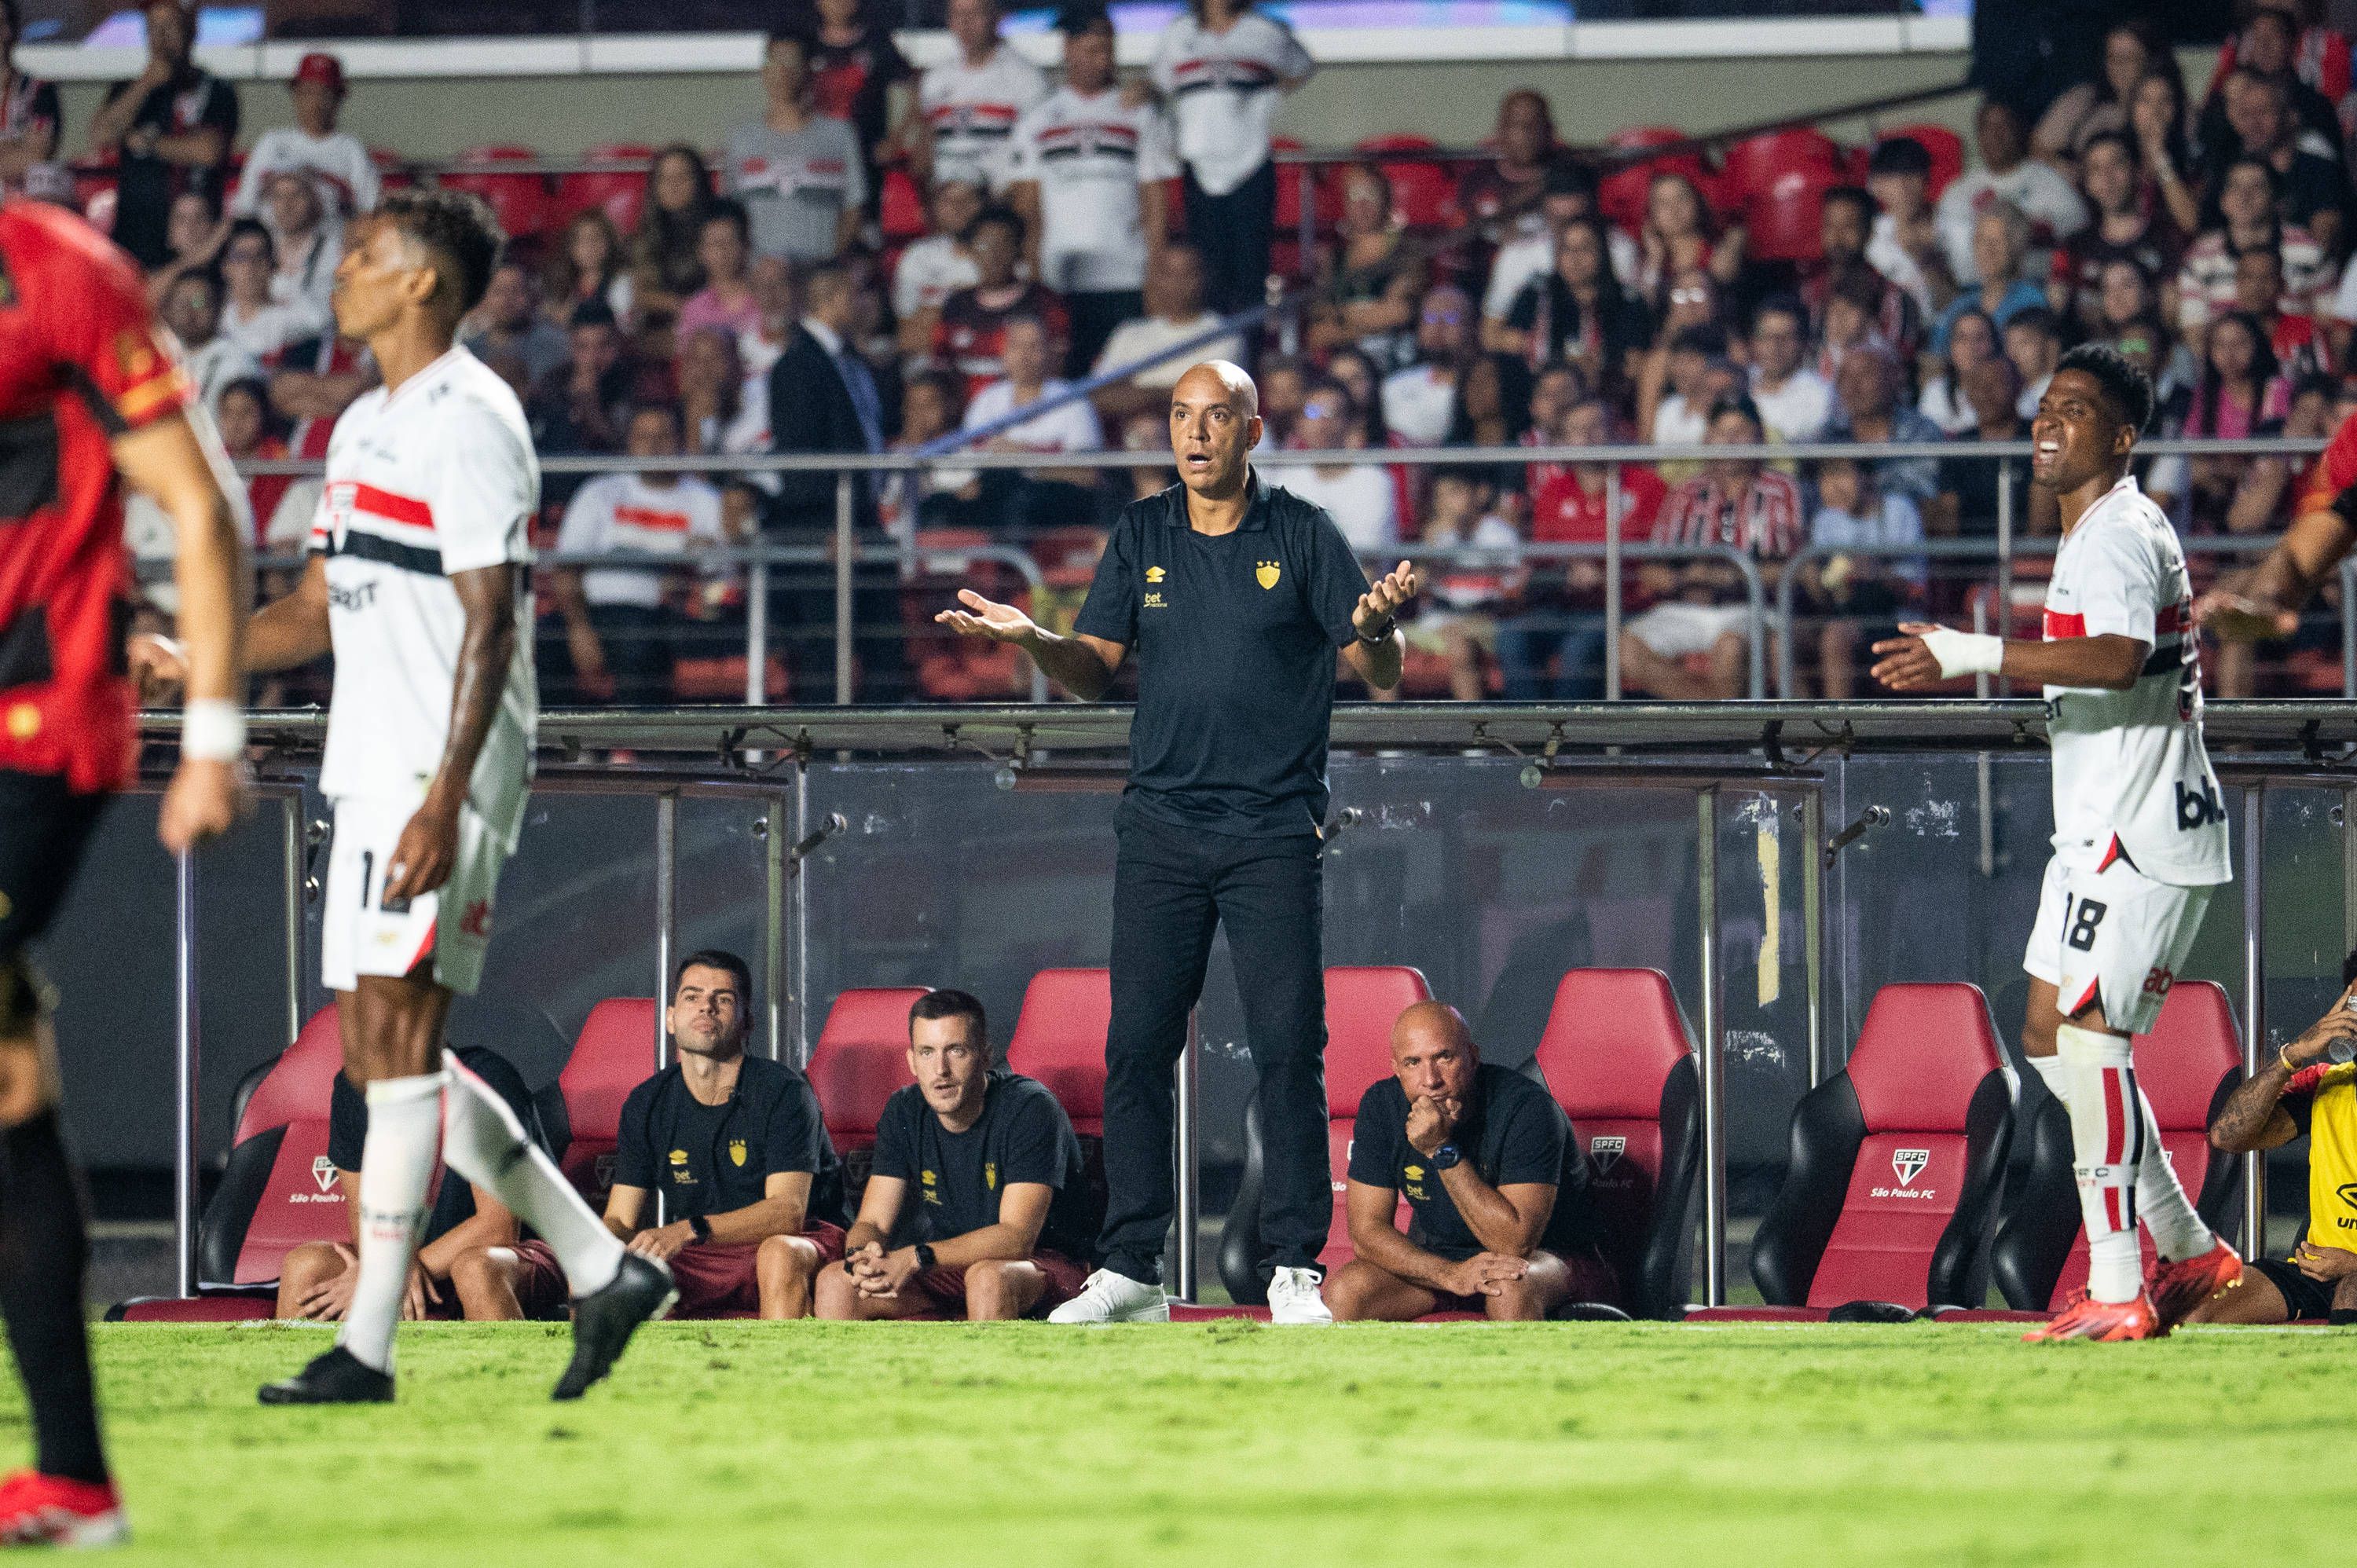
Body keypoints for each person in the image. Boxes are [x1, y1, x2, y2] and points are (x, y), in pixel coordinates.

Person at [140, 189, 675, 1404]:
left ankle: (369, 1348)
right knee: (388, 1056)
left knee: (396, 1046)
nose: (342, 273)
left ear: (423, 282)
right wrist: (194, 655)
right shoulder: (360, 427)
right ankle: (602, 1268)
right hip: (367, 765)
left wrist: (446, 796)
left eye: (367, 257)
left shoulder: (471, 416)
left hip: (440, 773)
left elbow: (495, 622)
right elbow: (311, 610)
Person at [937, 360, 1417, 1325]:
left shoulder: (1303, 532)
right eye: (1180, 416)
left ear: (1252, 430)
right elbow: (1092, 672)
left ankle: (1294, 1267)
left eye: (1216, 416)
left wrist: (1375, 627)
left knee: (1288, 1050)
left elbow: (1384, 670)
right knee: (1137, 1051)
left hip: (1272, 831)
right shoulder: (1141, 531)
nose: (1195, 433)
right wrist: (1035, 638)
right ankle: (1133, 1270)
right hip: (1160, 829)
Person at [1870, 343, 2242, 1342]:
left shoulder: (2119, 531)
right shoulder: (2095, 530)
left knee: (2091, 1040)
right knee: (2047, 1033)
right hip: (2094, 832)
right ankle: (2190, 1245)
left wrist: (1973, 652)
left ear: (2122, 438)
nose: (2048, 420)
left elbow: (2119, 659)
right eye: (2046, 405)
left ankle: (2119, 1282)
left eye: (2075, 409)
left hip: (2142, 833)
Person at [0, 185, 249, 1548]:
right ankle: (77, 1479)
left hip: (35, 729)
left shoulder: (61, 273)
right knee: (9, 1085)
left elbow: (196, 507)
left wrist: (211, 739)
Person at [455, 952, 848, 1323]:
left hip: (794, 1241)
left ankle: (780, 1372)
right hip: (702, 1253)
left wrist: (687, 1229)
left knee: (778, 1254)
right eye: (692, 997)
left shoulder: (784, 1092)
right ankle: (602, 1372)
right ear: (671, 1019)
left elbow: (786, 1213)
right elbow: (621, 1218)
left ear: (747, 1023)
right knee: (600, 1269)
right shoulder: (648, 1102)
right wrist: (596, 1255)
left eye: (723, 999)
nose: (706, 1007)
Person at [816, 988, 1096, 1322]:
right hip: (950, 1264)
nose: (941, 1070)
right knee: (836, 1282)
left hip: (1045, 1265)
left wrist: (916, 1256)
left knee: (988, 1279)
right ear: (912, 1061)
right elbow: (873, 1221)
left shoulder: (1030, 1107)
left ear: (985, 1056)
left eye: (956, 1051)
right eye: (927, 1053)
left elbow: (1016, 1237)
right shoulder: (905, 1109)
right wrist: (862, 1256)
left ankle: (989, 1361)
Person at [1324, 1002, 1607, 1321]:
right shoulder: (1381, 1106)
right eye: (1413, 1063)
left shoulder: (1527, 1108)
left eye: (1444, 1057)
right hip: (1450, 1261)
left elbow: (1514, 1244)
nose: (1430, 1080)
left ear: (1472, 1056)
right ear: (1397, 1068)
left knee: (1507, 1286)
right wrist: (1448, 1274)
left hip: (1554, 1261)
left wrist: (1441, 1149)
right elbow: (1366, 1233)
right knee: (1348, 1291)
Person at [274, 1044, 541, 1324]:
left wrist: (394, 1273)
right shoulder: (353, 1088)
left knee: (475, 1270)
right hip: (416, 1261)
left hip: (514, 1255)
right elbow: (364, 1219)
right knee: (305, 1267)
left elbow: (498, 1229)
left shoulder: (485, 1079)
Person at [1005, 4, 1176, 377]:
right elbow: (1028, 205)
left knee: (1126, 380)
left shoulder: (1140, 113)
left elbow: (1154, 198)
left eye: (1108, 50)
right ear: (1068, 48)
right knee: (1066, 379)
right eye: (1092, 50)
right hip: (1060, 277)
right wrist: (1033, 274)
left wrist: (1155, 270)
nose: (1103, 61)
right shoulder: (1038, 118)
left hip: (1126, 276)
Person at [2189, 952, 2357, 1325]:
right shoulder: (2327, 1084)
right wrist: (2293, 1054)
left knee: (2352, 1290)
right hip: (2314, 1272)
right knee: (2200, 1301)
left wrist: (2353, 1265)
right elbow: (2228, 1136)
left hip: (2350, 1275)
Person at [768, 260, 905, 703]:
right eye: (855, 294)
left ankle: (889, 738)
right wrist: (831, 525)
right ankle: (821, 742)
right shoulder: (796, 366)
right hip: (825, 528)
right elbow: (800, 457)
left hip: (864, 519)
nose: (865, 305)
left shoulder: (853, 362)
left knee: (882, 641)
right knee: (826, 649)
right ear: (832, 299)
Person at [1622, 395, 1799, 702]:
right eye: (1721, 431)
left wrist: (1731, 577)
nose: (1730, 441)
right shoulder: (1684, 492)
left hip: (1751, 609)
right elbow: (1652, 570)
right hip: (1686, 609)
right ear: (1707, 438)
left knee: (1730, 647)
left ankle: (1715, 726)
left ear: (1759, 438)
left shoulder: (1780, 489)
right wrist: (1684, 578)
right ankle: (1715, 720)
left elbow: (1791, 569)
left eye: (1740, 432)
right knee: (1624, 649)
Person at [551, 402, 725, 704]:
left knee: (640, 644)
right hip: (594, 612)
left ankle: (632, 736)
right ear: (629, 444)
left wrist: (693, 573)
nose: (653, 446)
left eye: (663, 436)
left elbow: (722, 584)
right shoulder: (599, 492)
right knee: (542, 642)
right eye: (643, 437)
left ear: (680, 442)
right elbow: (566, 568)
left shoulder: (706, 500)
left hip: (663, 618)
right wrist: (579, 629)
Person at [1150, 0, 1314, 316]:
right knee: (1206, 283)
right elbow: (1157, 88)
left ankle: (1247, 347)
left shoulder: (1264, 32)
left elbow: (1302, 68)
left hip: (1251, 170)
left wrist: (1267, 99)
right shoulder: (1178, 34)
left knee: (1250, 282)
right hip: (1199, 172)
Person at [1506, 392, 1665, 700]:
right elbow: (1542, 560)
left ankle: (1569, 731)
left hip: (1627, 606)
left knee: (1579, 650)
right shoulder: (1552, 491)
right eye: (1578, 430)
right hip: (1565, 605)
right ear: (1564, 441)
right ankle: (1527, 728)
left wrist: (1606, 573)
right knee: (1512, 636)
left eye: (1596, 427)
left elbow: (1659, 559)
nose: (1588, 437)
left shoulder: (1647, 485)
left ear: (1613, 432)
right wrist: (1568, 571)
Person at [85, 0, 237, 271]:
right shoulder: (130, 89)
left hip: (193, 240)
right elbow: (101, 136)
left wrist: (146, 143)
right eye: (154, 28)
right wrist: (145, 84)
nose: (161, 38)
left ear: (191, 31)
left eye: (170, 26)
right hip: (136, 238)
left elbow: (208, 151)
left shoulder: (216, 90)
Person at [726, 28, 867, 266]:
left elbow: (854, 209)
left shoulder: (839, 135)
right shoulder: (742, 139)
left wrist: (826, 265)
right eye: (775, 63)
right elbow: (732, 216)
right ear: (764, 71)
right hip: (762, 278)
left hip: (820, 276)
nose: (783, 72)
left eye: (791, 63)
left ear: (808, 70)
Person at [959, 313, 1104, 529]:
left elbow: (1088, 475)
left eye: (1033, 347)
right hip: (990, 500)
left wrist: (1026, 460)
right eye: (1016, 346)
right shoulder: (986, 400)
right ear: (1005, 353)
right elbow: (965, 466)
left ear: (1048, 352)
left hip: (1048, 504)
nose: (1024, 356)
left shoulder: (1072, 401)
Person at [1802, 456, 1923, 699]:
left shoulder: (1898, 510)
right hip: (1840, 613)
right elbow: (1823, 594)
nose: (1832, 486)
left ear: (1867, 477)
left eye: (1841, 474)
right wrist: (1812, 580)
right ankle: (1802, 720)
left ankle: (1838, 721)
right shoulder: (1825, 519)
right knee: (1782, 641)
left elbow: (1914, 591)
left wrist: (1876, 572)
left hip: (1893, 618)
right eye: (1825, 477)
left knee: (1836, 637)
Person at [1934, 100, 2086, 289]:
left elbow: (2079, 231)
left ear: (2018, 130)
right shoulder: (1958, 191)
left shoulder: (2046, 179)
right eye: (1987, 127)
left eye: (2003, 125)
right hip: (1972, 294)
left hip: (2038, 289)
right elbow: (1941, 251)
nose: (1995, 135)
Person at [1091, 243, 1244, 425]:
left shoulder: (1224, 334)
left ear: (1203, 278)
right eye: (1169, 274)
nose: (1178, 283)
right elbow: (1098, 395)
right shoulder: (1129, 333)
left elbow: (1213, 399)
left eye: (1187, 274)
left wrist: (1138, 394)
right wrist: (1167, 395)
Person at [933, 204, 1069, 397]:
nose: (994, 255)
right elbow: (942, 371)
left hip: (1026, 409)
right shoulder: (956, 306)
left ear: (1019, 250)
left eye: (1003, 245)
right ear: (970, 251)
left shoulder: (1044, 302)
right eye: (984, 245)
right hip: (968, 413)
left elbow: (1055, 371)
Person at [918, 0, 1047, 194]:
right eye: (958, 14)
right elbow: (925, 149)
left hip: (998, 202)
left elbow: (1034, 154)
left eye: (975, 13)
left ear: (995, 17)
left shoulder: (1026, 78)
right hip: (946, 201)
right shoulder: (935, 78)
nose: (965, 23)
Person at [233, 53, 378, 222]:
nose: (315, 103)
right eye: (308, 92)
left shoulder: (351, 148)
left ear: (338, 99)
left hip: (332, 235)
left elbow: (370, 211)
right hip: (272, 236)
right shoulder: (272, 142)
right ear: (296, 95)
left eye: (324, 93)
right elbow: (245, 207)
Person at [1260, 378, 1395, 551]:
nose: (1322, 423)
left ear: (1350, 422)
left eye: (1332, 413)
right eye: (1312, 412)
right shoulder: (1285, 479)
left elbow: (1366, 552)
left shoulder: (1374, 481)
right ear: (1299, 423)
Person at [893, 178, 984, 366]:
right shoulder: (918, 255)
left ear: (982, 205)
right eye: (948, 201)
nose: (958, 208)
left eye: (967, 200)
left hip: (980, 367)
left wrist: (934, 315)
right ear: (936, 208)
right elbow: (908, 337)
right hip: (927, 369)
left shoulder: (999, 255)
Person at [218, 218, 329, 361]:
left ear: (272, 264)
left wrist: (286, 283)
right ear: (225, 267)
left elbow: (319, 321)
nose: (251, 266)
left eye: (260, 256)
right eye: (241, 257)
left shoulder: (286, 317)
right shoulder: (218, 318)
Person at [629, 144, 717, 324]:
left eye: (681, 177)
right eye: (664, 179)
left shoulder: (717, 228)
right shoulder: (648, 234)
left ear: (699, 182)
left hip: (714, 322)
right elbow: (640, 294)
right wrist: (678, 305)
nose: (672, 186)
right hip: (661, 325)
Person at [1380, 285, 1476, 447]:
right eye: (1430, 318)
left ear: (1470, 326)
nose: (1438, 327)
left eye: (1450, 318)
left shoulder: (1480, 388)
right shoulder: (1394, 385)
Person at [160, 269, 262, 415]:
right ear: (168, 309)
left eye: (199, 303)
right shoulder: (164, 356)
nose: (189, 312)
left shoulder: (236, 361)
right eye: (181, 303)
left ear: (217, 308)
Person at [463, 258, 570, 388]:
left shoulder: (554, 346)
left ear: (531, 296)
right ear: (485, 298)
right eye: (499, 291)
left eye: (515, 291)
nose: (507, 300)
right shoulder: (469, 353)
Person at [1746, 294, 1832, 445]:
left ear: (1803, 344)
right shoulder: (1739, 382)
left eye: (1785, 337)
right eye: (1766, 336)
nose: (1774, 346)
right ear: (1754, 341)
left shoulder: (1821, 395)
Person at [675, 200, 761, 347]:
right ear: (701, 251)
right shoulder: (694, 311)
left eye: (729, 242)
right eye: (714, 244)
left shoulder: (765, 301)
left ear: (746, 246)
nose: (722, 252)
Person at [262, 167, 343, 318]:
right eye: (279, 197)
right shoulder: (263, 249)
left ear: (314, 201)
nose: (286, 205)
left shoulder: (332, 250)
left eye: (296, 195)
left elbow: (323, 313)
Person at [0, 1, 60, 199]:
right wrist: (14, 146)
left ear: (9, 30)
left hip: (23, 204)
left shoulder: (37, 88)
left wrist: (18, 152)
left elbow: (35, 154)